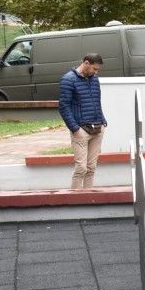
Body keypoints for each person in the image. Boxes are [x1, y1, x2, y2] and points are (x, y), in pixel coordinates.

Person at [58, 53, 108, 189]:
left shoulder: (94, 79)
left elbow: (97, 102)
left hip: (98, 128)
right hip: (81, 130)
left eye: (97, 70)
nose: (95, 72)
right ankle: (74, 201)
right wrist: (75, 129)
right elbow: (63, 106)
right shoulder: (68, 79)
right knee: (81, 168)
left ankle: (88, 199)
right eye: (94, 68)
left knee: (91, 168)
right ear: (86, 63)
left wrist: (103, 121)